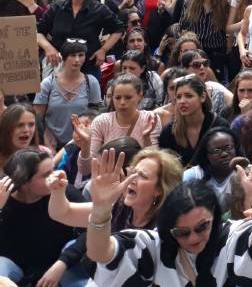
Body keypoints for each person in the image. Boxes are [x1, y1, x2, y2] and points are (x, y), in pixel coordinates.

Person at [84, 146, 252, 286]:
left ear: (215, 218)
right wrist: (100, 211)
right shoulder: (153, 244)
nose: (193, 238)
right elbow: (101, 253)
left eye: (201, 227)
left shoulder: (229, 235)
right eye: (182, 232)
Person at [46, 146, 184, 287]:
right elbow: (63, 213)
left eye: (142, 176)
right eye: (133, 172)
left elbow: (101, 254)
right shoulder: (120, 207)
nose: (132, 179)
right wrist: (57, 191)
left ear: (160, 189)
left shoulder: (163, 228)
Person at [0, 148, 82, 286]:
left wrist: (63, 262)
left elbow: (91, 229)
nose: (56, 176)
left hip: (61, 261)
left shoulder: (64, 190)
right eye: (46, 174)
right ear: (24, 181)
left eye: (54, 169)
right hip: (14, 263)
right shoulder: (4, 197)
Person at [37, 0, 125, 78]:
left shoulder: (99, 9)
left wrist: (103, 50)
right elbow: (38, 32)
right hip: (59, 64)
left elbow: (119, 29)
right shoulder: (56, 7)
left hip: (88, 65)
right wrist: (48, 48)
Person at [81, 74, 162, 176]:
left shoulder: (149, 119)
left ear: (140, 96)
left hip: (137, 180)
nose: (122, 102)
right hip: (107, 180)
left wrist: (146, 138)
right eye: (117, 98)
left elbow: (153, 164)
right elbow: (86, 170)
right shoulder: (102, 121)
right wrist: (85, 146)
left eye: (128, 97)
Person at [34, 40, 103, 148]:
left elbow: (95, 115)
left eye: (81, 55)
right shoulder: (48, 84)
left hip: (81, 144)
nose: (77, 59)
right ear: (64, 57)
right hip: (53, 145)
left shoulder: (91, 82)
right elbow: (37, 117)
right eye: (72, 55)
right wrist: (46, 138)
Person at [159, 75, 230, 166]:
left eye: (189, 96)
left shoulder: (219, 126)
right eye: (179, 97)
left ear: (202, 97)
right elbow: (165, 168)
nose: (182, 101)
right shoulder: (169, 132)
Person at [179, 0, 235, 83]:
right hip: (194, 51)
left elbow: (228, 30)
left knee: (215, 85)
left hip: (216, 53)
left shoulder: (225, 5)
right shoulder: (189, 2)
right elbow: (182, 26)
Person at [183, 127, 241, 210]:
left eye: (228, 148)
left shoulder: (245, 173)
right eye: (217, 150)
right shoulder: (193, 175)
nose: (224, 154)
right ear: (206, 154)